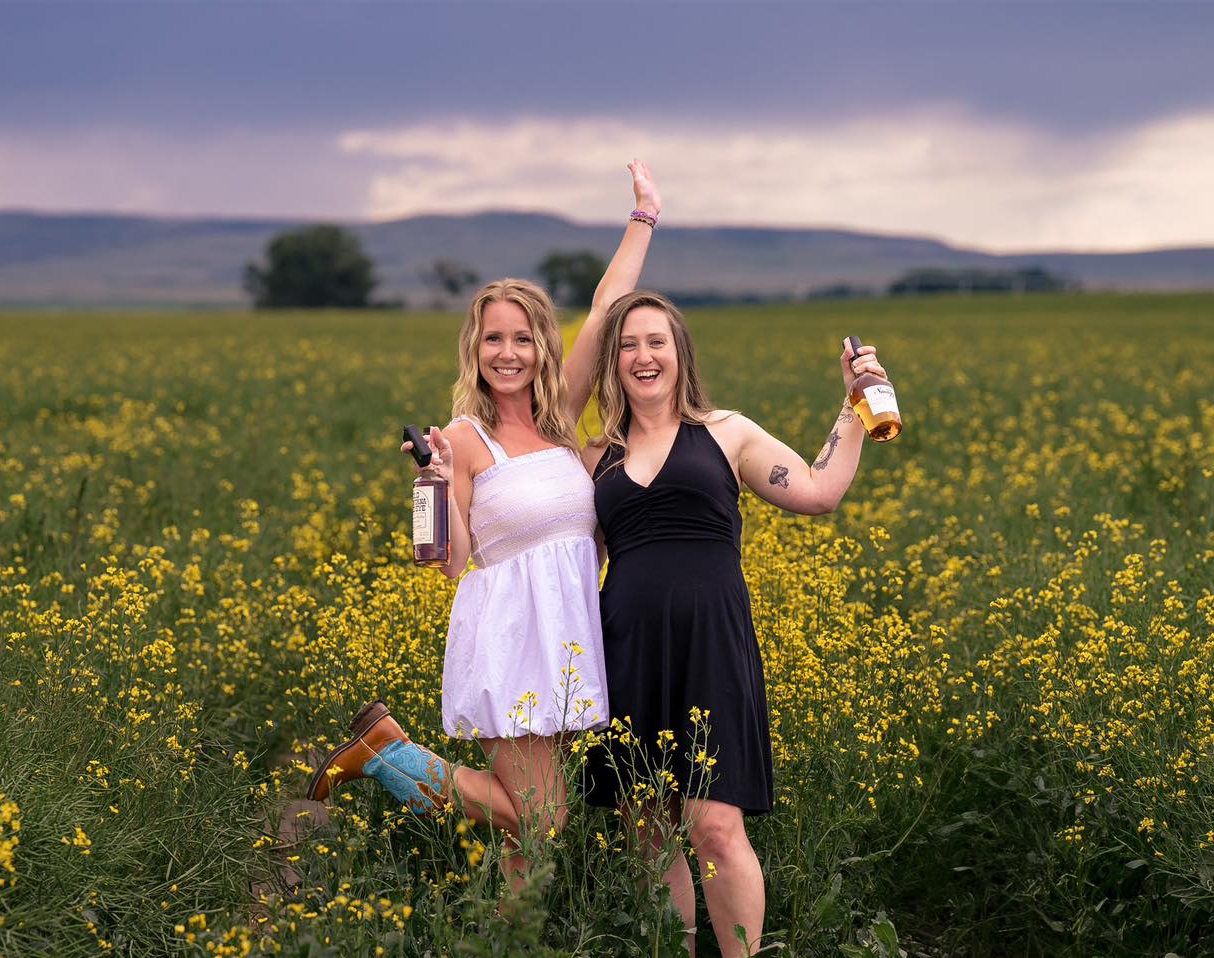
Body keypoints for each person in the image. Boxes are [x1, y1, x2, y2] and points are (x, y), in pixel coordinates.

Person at [306, 161, 663, 892]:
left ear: (542, 348)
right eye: (494, 338)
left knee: (529, 833)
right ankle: (388, 755)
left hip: (567, 633)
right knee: (541, 819)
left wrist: (644, 217)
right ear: (476, 347)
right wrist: (430, 484)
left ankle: (511, 934)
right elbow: (442, 559)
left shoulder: (563, 422)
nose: (508, 353)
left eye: (523, 339)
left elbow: (606, 310)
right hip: (511, 634)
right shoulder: (465, 440)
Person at [580, 290, 889, 956]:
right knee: (650, 833)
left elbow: (818, 491)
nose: (643, 355)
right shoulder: (595, 456)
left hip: (712, 647)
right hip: (627, 650)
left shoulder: (726, 432)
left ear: (680, 352)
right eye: (629, 344)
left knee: (716, 826)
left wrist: (855, 404)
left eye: (656, 341)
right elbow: (573, 562)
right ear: (613, 361)